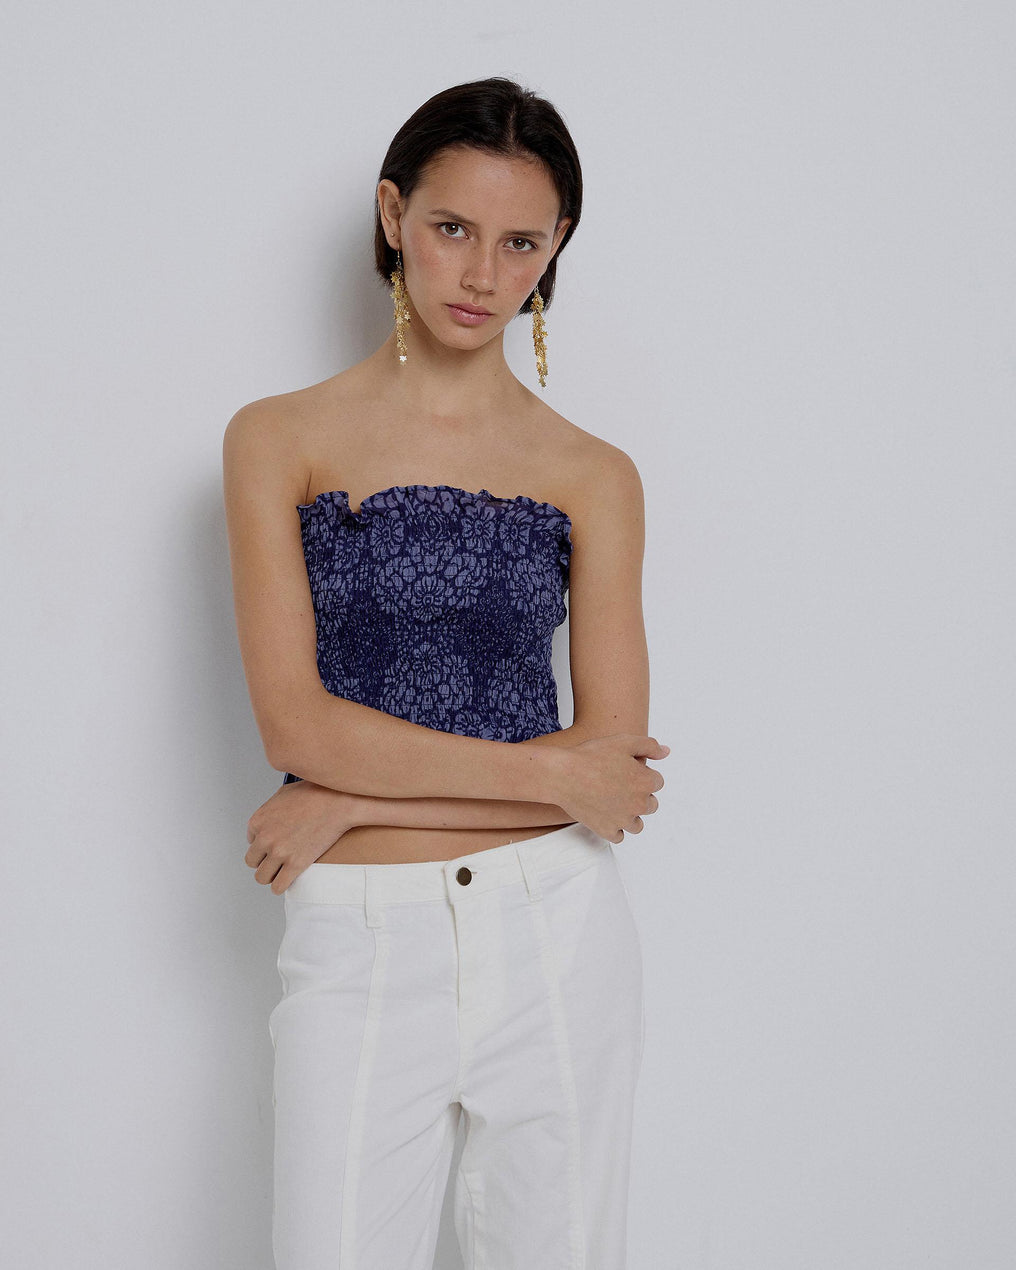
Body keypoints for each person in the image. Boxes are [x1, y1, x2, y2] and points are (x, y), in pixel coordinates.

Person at [222, 76, 669, 1270]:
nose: (480, 273)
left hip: (557, 931)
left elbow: (612, 778)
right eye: (451, 228)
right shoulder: (277, 439)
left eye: (519, 241)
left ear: (555, 246)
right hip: (360, 941)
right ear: (392, 215)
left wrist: (349, 798)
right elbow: (295, 724)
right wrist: (548, 776)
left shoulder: (593, 474)